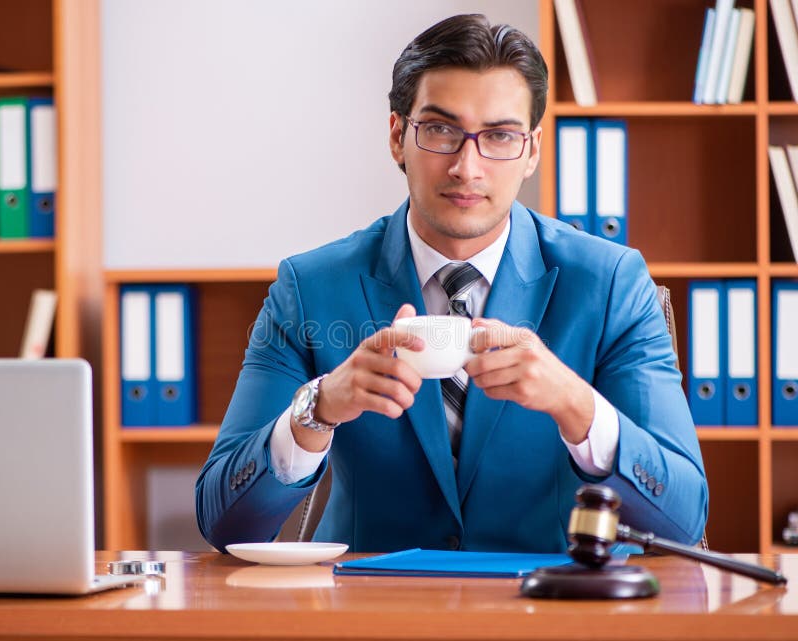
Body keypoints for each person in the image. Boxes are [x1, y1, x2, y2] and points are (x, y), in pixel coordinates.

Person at [195, 14, 708, 553]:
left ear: (532, 150)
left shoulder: (610, 284)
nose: (468, 166)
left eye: (500, 136)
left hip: (551, 612)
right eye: (440, 131)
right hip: (369, 615)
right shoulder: (310, 287)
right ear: (398, 137)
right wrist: (317, 410)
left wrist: (575, 406)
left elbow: (684, 521)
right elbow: (225, 525)